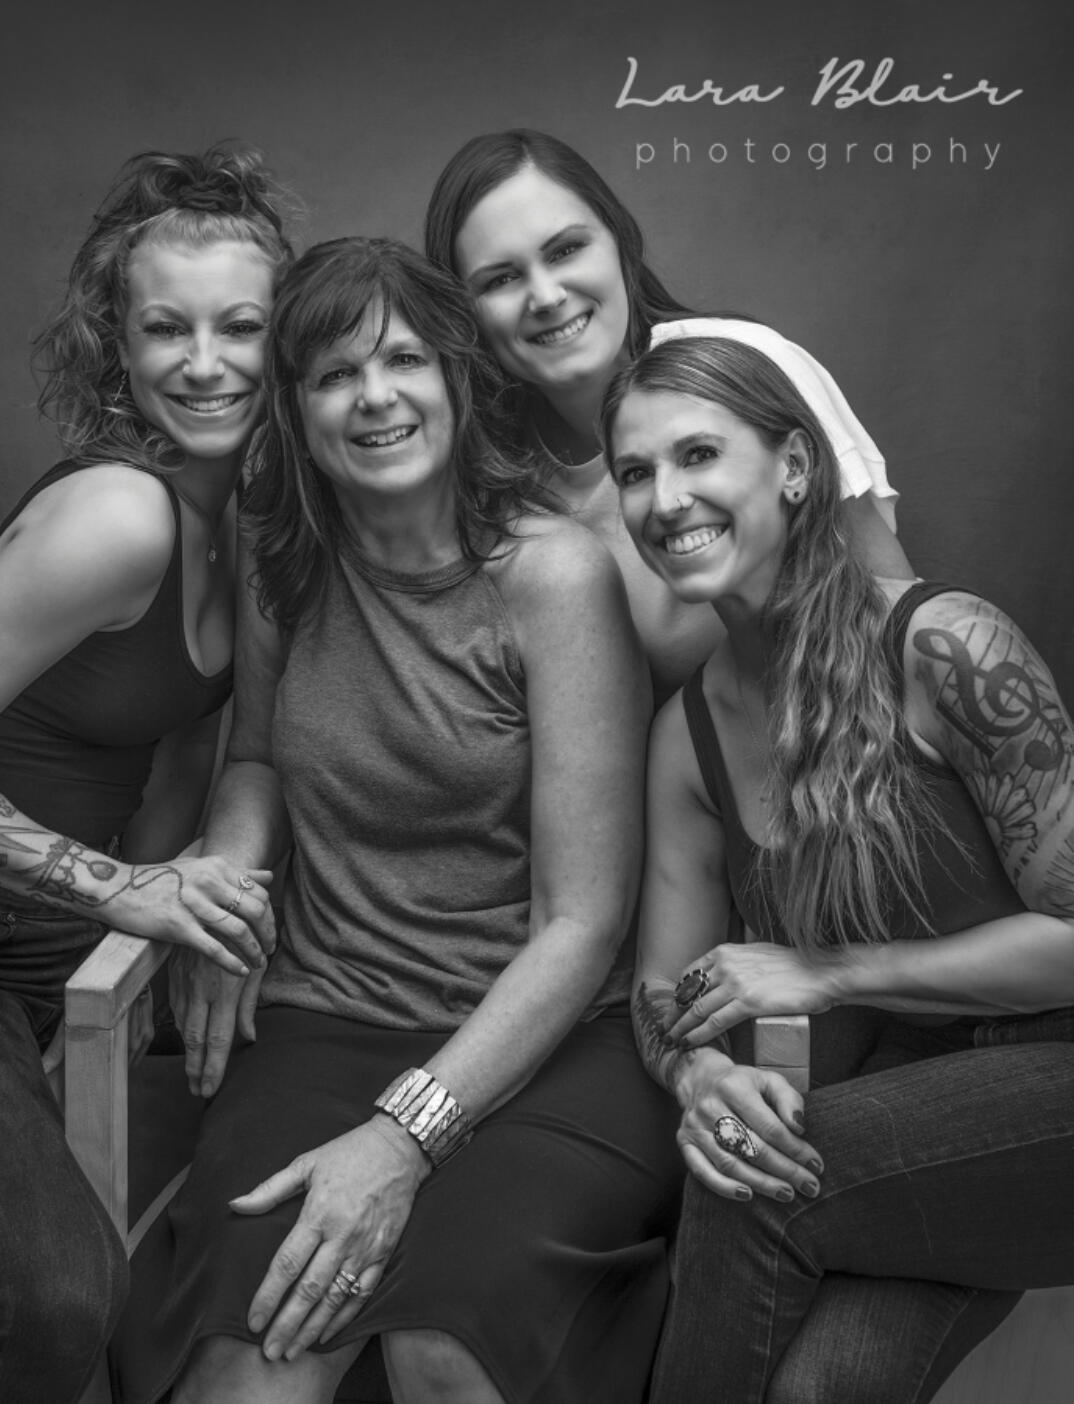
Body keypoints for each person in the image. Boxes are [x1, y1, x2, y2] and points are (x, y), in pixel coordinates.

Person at [112, 237, 679, 1404]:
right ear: (294, 407)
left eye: (404, 360)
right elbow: (259, 759)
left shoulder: (552, 577)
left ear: (456, 382)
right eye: (331, 375)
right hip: (330, 1016)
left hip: (550, 1040)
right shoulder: (289, 565)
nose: (374, 398)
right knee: (254, 1366)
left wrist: (402, 1138)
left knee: (443, 1360)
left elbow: (582, 922)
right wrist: (225, 875)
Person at [0, 143, 293, 1403]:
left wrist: (191, 911)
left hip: (66, 968)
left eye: (241, 327)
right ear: (118, 343)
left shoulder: (247, 521)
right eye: (166, 330)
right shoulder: (121, 514)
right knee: (54, 1299)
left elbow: (213, 754)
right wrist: (120, 894)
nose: (203, 365)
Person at [599, 331, 1074, 1403]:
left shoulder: (943, 647)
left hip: (1050, 1088)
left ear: (795, 468)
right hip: (902, 1135)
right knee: (822, 1386)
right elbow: (659, 988)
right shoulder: (688, 736)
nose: (664, 499)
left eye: (696, 456)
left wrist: (832, 971)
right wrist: (697, 1073)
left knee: (749, 1189)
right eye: (634, 473)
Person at [424, 128, 913, 704]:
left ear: (620, 242)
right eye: (501, 278)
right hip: (694, 781)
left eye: (565, 250)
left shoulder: (740, 365)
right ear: (464, 311)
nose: (547, 295)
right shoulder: (488, 477)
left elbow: (900, 615)